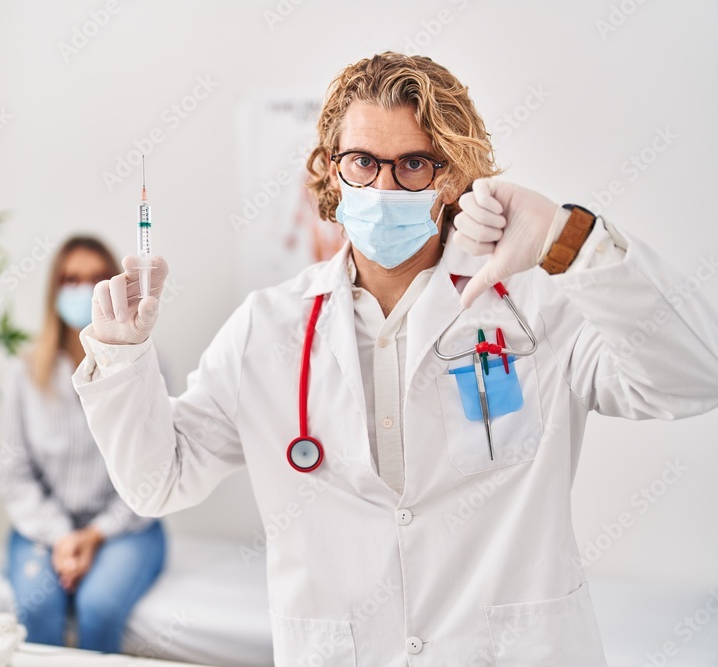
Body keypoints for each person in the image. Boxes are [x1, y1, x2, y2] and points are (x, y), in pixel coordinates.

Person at [71, 53, 718, 665]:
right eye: (363, 161)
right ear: (329, 167)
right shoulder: (267, 329)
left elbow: (692, 377)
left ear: (452, 175)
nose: (384, 184)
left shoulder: (533, 305)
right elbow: (158, 480)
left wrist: (571, 240)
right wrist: (123, 358)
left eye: (413, 164)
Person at [0, 235, 166, 651]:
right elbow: (15, 476)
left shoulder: (143, 366)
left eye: (95, 279)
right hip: (43, 531)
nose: (82, 289)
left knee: (99, 608)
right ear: (54, 289)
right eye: (70, 279)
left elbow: (155, 471)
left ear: (113, 287)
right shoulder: (25, 375)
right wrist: (62, 537)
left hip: (126, 529)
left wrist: (93, 535)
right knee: (37, 609)